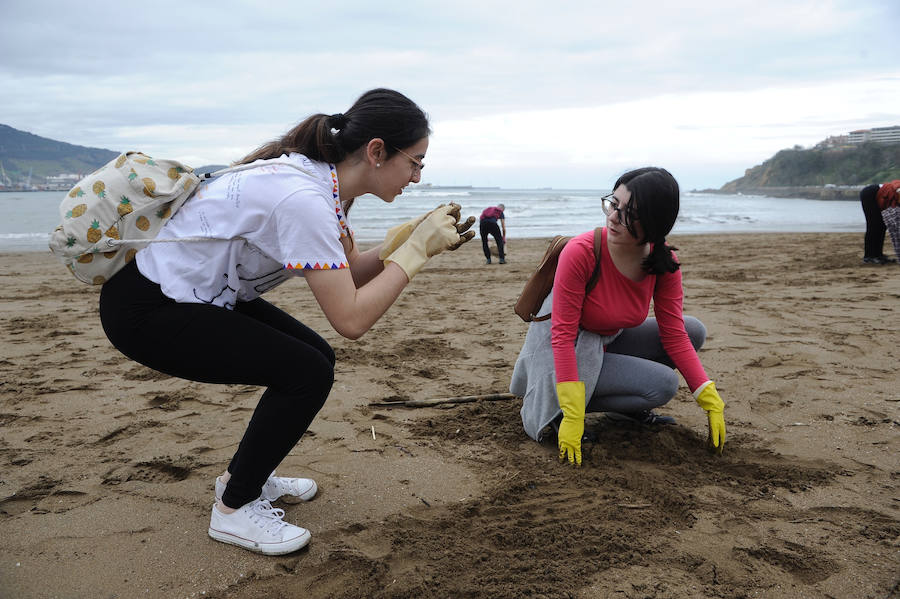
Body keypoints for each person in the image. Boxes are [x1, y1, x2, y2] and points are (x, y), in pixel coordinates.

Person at [98, 88, 475, 555]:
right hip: (148, 308)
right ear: (377, 152)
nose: (417, 177)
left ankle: (245, 477)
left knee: (315, 357)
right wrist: (417, 253)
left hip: (193, 292)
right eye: (415, 162)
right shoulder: (304, 198)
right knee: (305, 372)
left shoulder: (321, 183)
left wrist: (404, 242)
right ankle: (234, 510)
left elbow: (347, 275)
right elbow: (352, 318)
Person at [510, 167, 727, 466]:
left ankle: (622, 405)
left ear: (653, 222)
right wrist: (574, 415)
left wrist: (708, 398)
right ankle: (561, 411)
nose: (613, 216)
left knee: (693, 330)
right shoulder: (581, 252)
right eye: (614, 204)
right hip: (564, 349)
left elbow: (673, 333)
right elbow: (561, 336)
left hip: (607, 339)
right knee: (663, 384)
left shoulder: (662, 261)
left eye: (628, 213)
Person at [860, 184, 895, 264]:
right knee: (873, 225)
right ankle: (869, 257)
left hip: (880, 196)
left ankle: (878, 255)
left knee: (882, 226)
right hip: (871, 193)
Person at [876, 180, 900, 263]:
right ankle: (873, 255)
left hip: (888, 208)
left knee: (895, 236)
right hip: (891, 208)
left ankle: (874, 255)